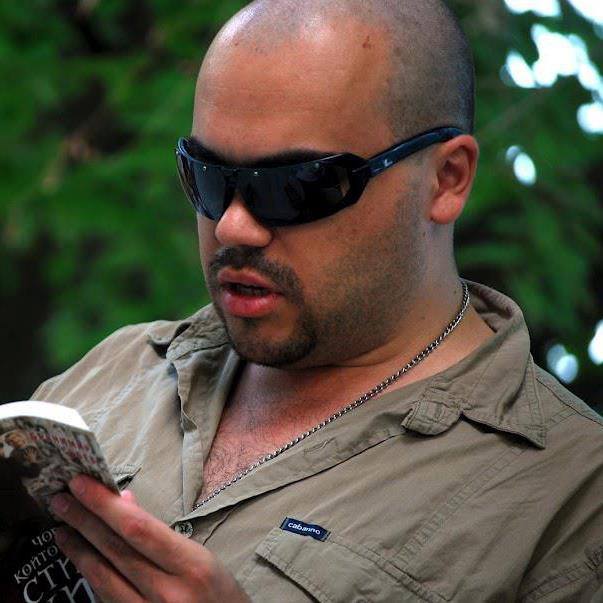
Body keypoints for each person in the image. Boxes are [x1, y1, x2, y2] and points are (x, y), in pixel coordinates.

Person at [30, 0, 602, 600]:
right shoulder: (112, 374)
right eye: (207, 178)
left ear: (447, 178)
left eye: (295, 187)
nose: (233, 227)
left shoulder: (570, 495)